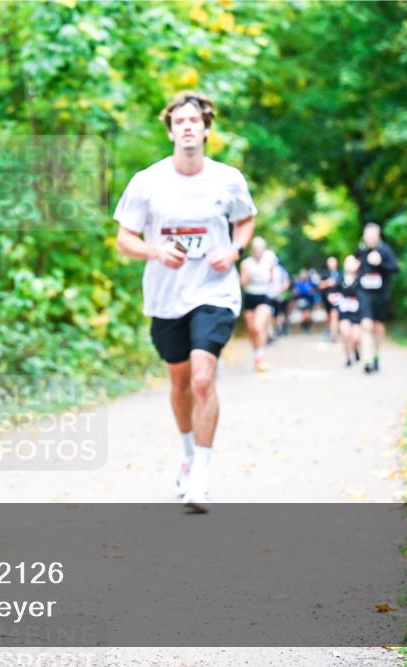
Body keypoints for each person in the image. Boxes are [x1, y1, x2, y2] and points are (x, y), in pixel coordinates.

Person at [115, 90, 256, 511]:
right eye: (180, 121)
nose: (188, 127)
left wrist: (233, 251)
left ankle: (201, 476)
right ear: (171, 131)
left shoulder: (227, 179)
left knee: (201, 378)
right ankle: (189, 453)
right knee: (178, 382)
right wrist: (156, 251)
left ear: (207, 128)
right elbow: (125, 239)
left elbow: (245, 221)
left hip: (214, 291)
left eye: (195, 120)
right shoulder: (148, 181)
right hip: (165, 297)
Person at [353, 222, 399, 373]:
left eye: (373, 235)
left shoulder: (385, 250)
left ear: (378, 235)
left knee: (378, 327)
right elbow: (353, 269)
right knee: (366, 325)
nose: (370, 238)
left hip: (381, 294)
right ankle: (367, 360)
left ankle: (376, 355)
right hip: (364, 293)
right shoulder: (360, 251)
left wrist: (380, 263)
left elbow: (395, 269)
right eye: (367, 235)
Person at [240, 236, 275, 372]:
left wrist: (271, 270)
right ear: (252, 250)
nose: (258, 251)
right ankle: (257, 353)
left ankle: (260, 357)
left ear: (264, 249)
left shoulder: (269, 262)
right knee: (251, 330)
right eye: (255, 248)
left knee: (258, 326)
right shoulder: (246, 264)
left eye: (260, 248)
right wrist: (248, 276)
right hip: (250, 297)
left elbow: (272, 280)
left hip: (263, 297)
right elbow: (242, 284)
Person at [337, 255, 363, 367]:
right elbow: (334, 292)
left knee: (356, 338)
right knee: (345, 334)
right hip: (344, 310)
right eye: (347, 263)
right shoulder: (340, 278)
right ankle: (348, 358)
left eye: (352, 263)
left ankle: (356, 349)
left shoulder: (361, 278)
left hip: (357, 312)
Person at [318, 256, 342, 341]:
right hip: (326, 298)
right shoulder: (324, 273)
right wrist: (328, 283)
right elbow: (320, 285)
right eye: (330, 262)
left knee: (334, 314)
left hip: (338, 298)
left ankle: (334, 334)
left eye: (333, 262)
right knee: (329, 316)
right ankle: (331, 329)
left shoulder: (340, 274)